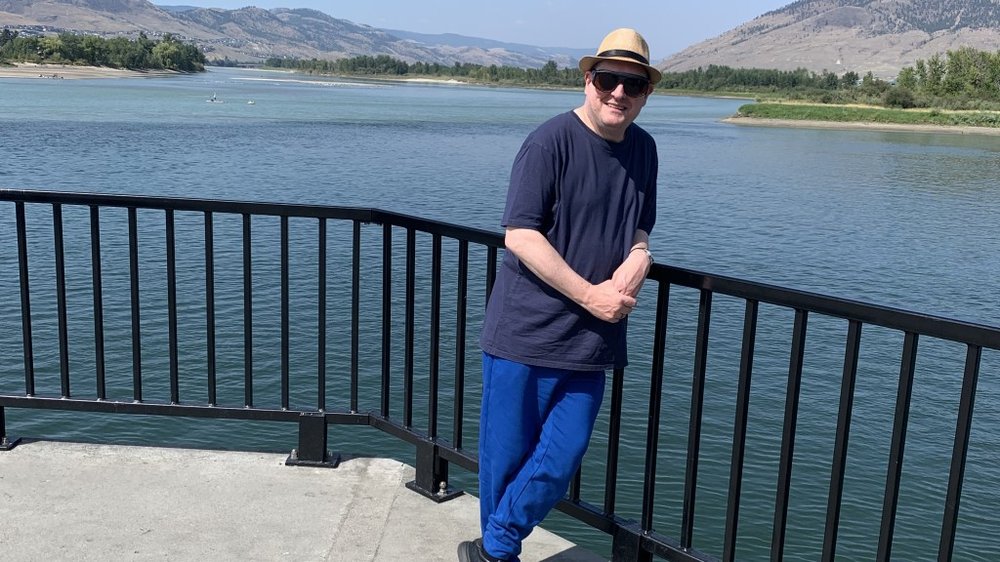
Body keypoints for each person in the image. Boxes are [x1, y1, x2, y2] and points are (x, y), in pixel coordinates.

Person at [459, 28, 661, 562]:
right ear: (588, 80)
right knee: (505, 459)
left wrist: (641, 255)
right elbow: (520, 234)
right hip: (525, 333)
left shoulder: (644, 150)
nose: (618, 93)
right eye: (609, 80)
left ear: (646, 93)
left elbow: (640, 226)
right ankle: (499, 553)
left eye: (632, 85)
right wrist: (591, 296)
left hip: (592, 342)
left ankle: (493, 547)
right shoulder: (549, 141)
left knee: (562, 455)